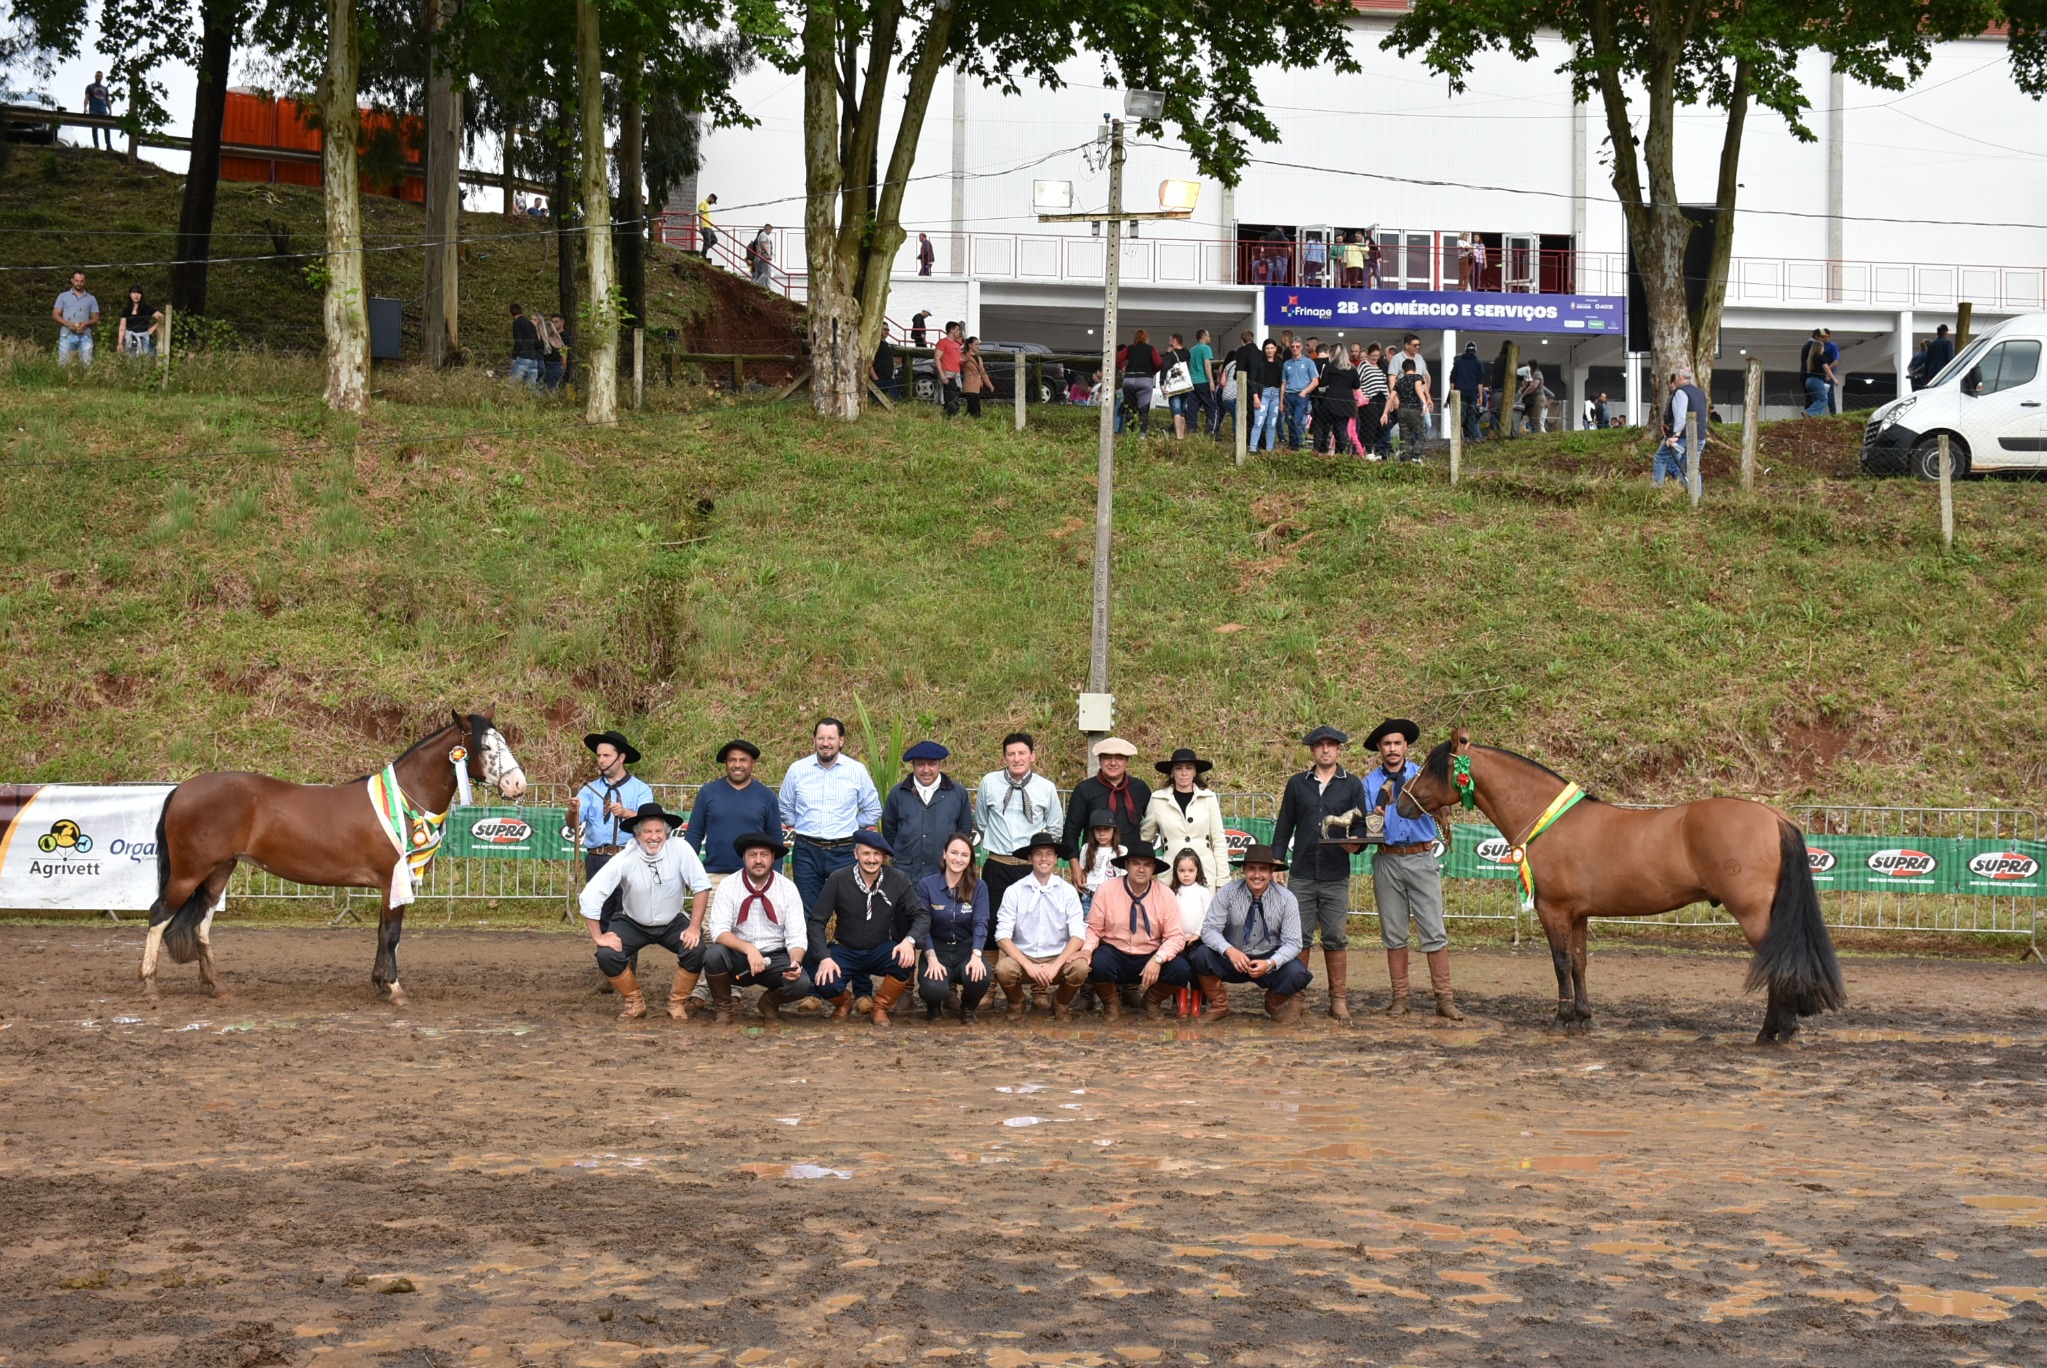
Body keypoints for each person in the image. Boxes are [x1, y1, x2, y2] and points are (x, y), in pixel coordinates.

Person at [1359, 718, 1461, 1020]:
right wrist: (1374, 815)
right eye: (1387, 744)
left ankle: (1444, 998)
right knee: (1394, 931)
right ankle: (1400, 998)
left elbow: (1445, 805)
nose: (1392, 748)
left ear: (1406, 746)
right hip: (1387, 857)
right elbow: (1366, 823)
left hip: (1420, 856)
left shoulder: (1424, 775)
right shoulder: (1369, 782)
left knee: (1433, 928)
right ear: (1380, 748)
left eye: (1397, 743)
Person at [1270, 724, 1369, 1021]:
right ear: (1313, 751)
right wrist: (1277, 862)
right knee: (1298, 938)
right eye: (1320, 745)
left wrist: (1357, 846)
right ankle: (1298, 998)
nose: (1325, 749)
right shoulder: (1297, 783)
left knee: (1336, 937)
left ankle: (1338, 999)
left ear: (1339, 749)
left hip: (1336, 874)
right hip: (1301, 872)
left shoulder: (1352, 784)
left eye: (1331, 745)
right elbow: (1284, 825)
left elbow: (1361, 827)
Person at [580, 802, 713, 1021]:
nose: (654, 837)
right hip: (633, 922)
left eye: (658, 831)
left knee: (696, 949)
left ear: (666, 833)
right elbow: (592, 894)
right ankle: (635, 1002)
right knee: (606, 954)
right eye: (648, 831)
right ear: (638, 834)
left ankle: (677, 1003)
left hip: (672, 921)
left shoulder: (681, 849)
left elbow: (701, 886)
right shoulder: (624, 858)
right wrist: (598, 936)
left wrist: (694, 927)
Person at [807, 830, 924, 1024]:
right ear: (856, 854)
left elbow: (921, 914)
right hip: (844, 948)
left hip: (879, 947)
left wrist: (908, 941)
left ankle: (880, 1007)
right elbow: (817, 921)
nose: (871, 859)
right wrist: (824, 957)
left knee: (905, 961)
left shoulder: (897, 879)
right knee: (823, 980)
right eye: (866, 853)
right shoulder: (838, 879)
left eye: (877, 854)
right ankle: (843, 1002)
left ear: (884, 857)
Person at [1187, 843, 1311, 1023]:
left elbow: (1293, 943)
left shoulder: (1287, 899)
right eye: (1251, 868)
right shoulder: (1227, 893)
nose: (1257, 875)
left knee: (1298, 972)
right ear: (1243, 870)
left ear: (1271, 871)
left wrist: (1270, 963)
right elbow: (1209, 929)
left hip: (1268, 957)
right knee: (1200, 955)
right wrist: (1230, 951)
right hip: (1232, 958)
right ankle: (1219, 1005)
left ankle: (1273, 1004)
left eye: (1263, 869)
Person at [704, 832, 813, 1025]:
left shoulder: (787, 888)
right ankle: (724, 1009)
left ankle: (769, 1004)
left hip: (775, 958)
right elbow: (718, 931)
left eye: (764, 854)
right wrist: (749, 949)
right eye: (752, 855)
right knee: (713, 955)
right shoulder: (728, 885)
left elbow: (796, 936)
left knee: (801, 983)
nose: (758, 860)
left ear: (772, 857)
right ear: (744, 858)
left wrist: (795, 961)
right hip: (739, 957)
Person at [779, 716, 882, 918]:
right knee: (808, 913)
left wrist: (852, 825)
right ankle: (815, 951)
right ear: (814, 740)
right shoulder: (797, 770)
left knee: (851, 909)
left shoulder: (856, 771)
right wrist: (800, 823)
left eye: (831, 738)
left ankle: (846, 950)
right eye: (821, 738)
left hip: (844, 851)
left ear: (841, 741)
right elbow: (784, 807)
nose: (825, 743)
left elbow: (873, 810)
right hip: (807, 851)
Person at [1082, 840, 1192, 1019]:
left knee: (1181, 970)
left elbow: (1175, 936)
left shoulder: (1165, 895)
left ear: (1154, 868)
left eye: (1147, 865)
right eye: (1136, 863)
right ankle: (1111, 1003)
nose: (1141, 869)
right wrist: (1086, 951)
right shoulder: (1107, 890)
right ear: (1126, 865)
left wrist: (1158, 959)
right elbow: (1094, 929)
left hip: (1150, 953)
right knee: (1098, 963)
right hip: (1115, 952)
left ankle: (1151, 1001)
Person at [975, 731, 1065, 935]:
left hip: (1029, 867)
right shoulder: (989, 782)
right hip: (998, 865)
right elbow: (981, 821)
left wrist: (1038, 854)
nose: (1017, 759)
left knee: (1031, 926)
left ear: (1032, 755)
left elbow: (1055, 828)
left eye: (1022, 753)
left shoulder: (1046, 788)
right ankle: (994, 966)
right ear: (1004, 757)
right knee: (993, 926)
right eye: (1011, 754)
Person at [992, 832, 1089, 1018]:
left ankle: (1060, 1002)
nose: (1044, 858)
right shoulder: (1014, 891)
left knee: (1080, 967)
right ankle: (1016, 1003)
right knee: (1004, 969)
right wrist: (1028, 966)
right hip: (1024, 956)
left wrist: (1056, 965)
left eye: (1049, 853)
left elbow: (1078, 935)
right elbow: (1002, 936)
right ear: (1030, 858)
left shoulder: (1068, 892)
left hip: (1058, 957)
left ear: (1056, 859)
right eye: (1038, 854)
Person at [570, 730, 655, 940]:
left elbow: (650, 823)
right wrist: (572, 811)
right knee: (600, 913)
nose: (601, 760)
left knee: (629, 915)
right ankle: (608, 965)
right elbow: (574, 823)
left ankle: (627, 964)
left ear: (621, 757)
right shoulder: (589, 790)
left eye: (606, 756)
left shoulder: (641, 789)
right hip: (598, 858)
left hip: (630, 858)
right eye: (599, 756)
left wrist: (627, 813)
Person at [914, 833, 992, 1022]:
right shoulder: (927, 885)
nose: (958, 859)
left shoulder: (979, 887)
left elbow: (981, 923)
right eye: (954, 853)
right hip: (936, 948)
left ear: (970, 859)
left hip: (966, 948)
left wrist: (976, 955)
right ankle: (933, 1007)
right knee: (933, 989)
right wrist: (931, 958)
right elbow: (923, 924)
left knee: (980, 976)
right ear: (944, 854)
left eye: (964, 855)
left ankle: (967, 1007)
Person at [684, 740, 783, 888]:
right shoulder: (708, 792)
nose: (737, 765)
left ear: (753, 763)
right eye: (732, 760)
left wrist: (774, 876)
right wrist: (688, 871)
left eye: (743, 760)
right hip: (714, 877)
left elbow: (775, 838)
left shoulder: (767, 796)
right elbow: (694, 834)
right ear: (725, 762)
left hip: (755, 878)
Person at [880, 739, 973, 887]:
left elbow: (964, 830)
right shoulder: (898, 793)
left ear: (939, 765)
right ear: (913, 765)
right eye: (920, 764)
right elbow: (889, 830)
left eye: (931, 764)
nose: (926, 770)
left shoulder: (957, 793)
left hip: (945, 872)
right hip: (907, 874)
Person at [1140, 747, 1232, 889]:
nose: (1184, 773)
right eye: (1178, 768)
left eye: (1189, 768)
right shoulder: (1158, 800)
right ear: (1172, 772)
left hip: (1205, 871)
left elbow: (1219, 841)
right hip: (1170, 873)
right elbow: (1144, 840)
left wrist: (1223, 880)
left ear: (1195, 772)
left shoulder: (1209, 798)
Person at [1062, 736, 1151, 853]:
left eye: (1119, 758)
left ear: (1127, 761)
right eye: (1107, 758)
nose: (1113, 763)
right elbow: (1071, 831)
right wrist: (1076, 867)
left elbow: (1154, 821)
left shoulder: (1140, 789)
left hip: (1131, 861)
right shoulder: (1084, 790)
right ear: (1099, 760)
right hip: (1094, 864)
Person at [1169, 848, 1213, 1017]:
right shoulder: (1172, 892)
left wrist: (1197, 934)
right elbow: (1169, 916)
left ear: (1198, 871)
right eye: (1181, 871)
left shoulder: (1203, 892)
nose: (1186, 875)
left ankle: (1196, 1006)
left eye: (1190, 870)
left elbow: (1207, 915)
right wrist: (1177, 935)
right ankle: (1181, 1005)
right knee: (1180, 970)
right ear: (1176, 871)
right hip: (1177, 940)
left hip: (1197, 940)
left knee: (1197, 972)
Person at [1658, 367, 1709, 486]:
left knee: (1661, 458)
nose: (1674, 379)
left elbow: (1681, 416)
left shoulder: (1681, 392)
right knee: (1692, 469)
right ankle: (1695, 498)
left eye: (1675, 376)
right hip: (1700, 435)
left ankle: (1656, 489)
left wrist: (1676, 435)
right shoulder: (1700, 392)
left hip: (1684, 437)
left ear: (1680, 377)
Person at [1071, 811, 1124, 912]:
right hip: (1089, 896)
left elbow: (1124, 878)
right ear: (1092, 831)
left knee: (1111, 926)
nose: (1102, 833)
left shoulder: (1122, 850)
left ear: (1114, 830)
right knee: (1088, 926)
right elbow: (1081, 874)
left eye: (1106, 829)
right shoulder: (1086, 848)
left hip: (1112, 898)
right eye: (1098, 829)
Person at [1315, 348, 1361, 456]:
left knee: (1321, 424)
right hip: (1347, 402)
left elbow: (1323, 382)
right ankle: (1340, 453)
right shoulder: (1352, 369)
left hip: (1331, 400)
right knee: (1341, 429)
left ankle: (1317, 448)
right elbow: (1356, 385)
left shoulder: (1330, 366)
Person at [53, 271, 99, 369]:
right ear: (72, 281)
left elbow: (96, 318)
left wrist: (86, 324)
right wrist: (67, 323)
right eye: (77, 281)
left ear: (84, 282)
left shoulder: (91, 299)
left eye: (81, 281)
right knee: (63, 364)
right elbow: (55, 314)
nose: (79, 283)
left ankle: (86, 383)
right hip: (67, 335)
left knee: (87, 365)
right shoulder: (63, 296)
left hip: (85, 336)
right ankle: (62, 382)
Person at [1356, 342, 1391, 460]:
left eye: (1377, 356)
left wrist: (1389, 400)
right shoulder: (1363, 365)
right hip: (1370, 399)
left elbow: (1386, 383)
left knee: (1383, 425)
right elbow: (1357, 382)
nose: (1375, 358)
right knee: (1370, 425)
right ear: (1368, 355)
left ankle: (1370, 446)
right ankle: (1369, 450)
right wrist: (1361, 396)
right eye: (1373, 356)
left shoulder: (1382, 366)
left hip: (1383, 399)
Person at [1122, 329, 1161, 437]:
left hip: (1129, 380)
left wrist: (1122, 367)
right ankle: (1142, 435)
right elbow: (1158, 364)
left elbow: (1117, 359)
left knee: (1130, 408)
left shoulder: (1129, 348)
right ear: (1146, 338)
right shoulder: (1151, 349)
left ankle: (1129, 434)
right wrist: (1152, 371)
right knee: (1143, 410)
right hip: (1144, 380)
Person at [1281, 337, 1318, 450]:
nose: (1295, 349)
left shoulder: (1309, 362)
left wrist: (1305, 391)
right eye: (1292, 347)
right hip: (1289, 395)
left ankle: (1299, 445)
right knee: (1289, 420)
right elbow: (1284, 383)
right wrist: (1281, 401)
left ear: (1301, 347)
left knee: (1297, 420)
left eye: (1297, 347)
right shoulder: (1286, 364)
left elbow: (1315, 381)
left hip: (1301, 395)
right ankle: (1293, 444)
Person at [1250, 338, 1284, 452]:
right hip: (1263, 394)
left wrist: (1281, 401)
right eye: (1267, 348)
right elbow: (1253, 380)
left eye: (1271, 348)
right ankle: (1253, 448)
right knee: (1258, 422)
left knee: (1272, 423)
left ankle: (1269, 449)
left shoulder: (1280, 362)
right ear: (1264, 350)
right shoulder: (1259, 362)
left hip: (1276, 394)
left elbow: (1283, 381)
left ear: (1275, 349)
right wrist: (1255, 396)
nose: (1269, 351)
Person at [1395, 358, 1432, 460]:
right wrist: (1424, 402)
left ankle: (1405, 459)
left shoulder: (1399, 381)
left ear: (1403, 370)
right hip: (1414, 409)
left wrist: (1385, 412)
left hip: (1402, 410)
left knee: (1405, 437)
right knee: (1421, 434)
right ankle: (1415, 456)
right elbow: (1418, 389)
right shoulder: (1417, 377)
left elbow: (1391, 397)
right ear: (1415, 369)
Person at [1449, 341, 1486, 442]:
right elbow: (1480, 381)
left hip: (1460, 392)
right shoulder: (1478, 363)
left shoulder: (1458, 363)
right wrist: (1481, 396)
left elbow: (1452, 378)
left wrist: (1452, 392)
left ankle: (1458, 436)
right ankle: (1471, 436)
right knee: (1472, 415)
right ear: (1475, 350)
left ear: (1465, 350)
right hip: (1472, 392)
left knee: (1461, 414)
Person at [1163, 333, 1196, 440]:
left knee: (1176, 411)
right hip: (1185, 385)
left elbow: (1165, 368)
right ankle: (1182, 435)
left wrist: (1161, 383)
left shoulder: (1170, 355)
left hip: (1175, 387)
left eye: (1170, 340)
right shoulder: (1187, 353)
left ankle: (1178, 437)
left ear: (1174, 341)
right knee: (1182, 412)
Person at [116, 286, 160, 358]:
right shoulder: (126, 310)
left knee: (151, 358)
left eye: (138, 293)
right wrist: (120, 343)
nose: (136, 295)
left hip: (144, 337)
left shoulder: (147, 308)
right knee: (131, 360)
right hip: (130, 340)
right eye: (134, 292)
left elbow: (162, 318)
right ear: (130, 295)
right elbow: (122, 328)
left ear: (141, 295)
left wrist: (153, 329)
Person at [508, 303, 543, 386]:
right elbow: (538, 344)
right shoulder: (531, 324)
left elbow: (518, 341)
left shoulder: (517, 323)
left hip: (522, 358)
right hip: (533, 360)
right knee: (531, 388)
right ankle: (542, 399)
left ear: (511, 314)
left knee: (513, 385)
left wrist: (514, 356)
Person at [935, 321, 965, 417]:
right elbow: (937, 358)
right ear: (951, 331)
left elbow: (956, 358)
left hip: (957, 376)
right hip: (947, 375)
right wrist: (942, 375)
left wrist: (962, 360)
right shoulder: (942, 342)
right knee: (949, 399)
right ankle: (949, 417)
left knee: (955, 397)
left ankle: (953, 416)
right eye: (957, 330)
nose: (959, 332)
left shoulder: (957, 344)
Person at [959, 336, 992, 418]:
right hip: (970, 384)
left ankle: (968, 420)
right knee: (975, 407)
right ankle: (974, 420)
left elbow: (983, 372)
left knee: (973, 407)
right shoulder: (964, 356)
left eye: (978, 344)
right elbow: (959, 363)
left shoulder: (979, 358)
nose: (978, 346)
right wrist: (962, 361)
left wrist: (989, 385)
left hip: (978, 385)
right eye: (976, 344)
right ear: (970, 345)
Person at [540, 314, 569, 391]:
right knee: (553, 389)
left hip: (549, 367)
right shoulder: (560, 342)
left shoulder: (546, 342)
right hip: (558, 367)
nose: (554, 324)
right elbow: (564, 359)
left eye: (556, 322)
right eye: (552, 322)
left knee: (548, 390)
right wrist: (562, 370)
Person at [85, 71, 112, 150]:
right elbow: (87, 98)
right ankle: (96, 146)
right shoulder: (90, 87)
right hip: (94, 110)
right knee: (94, 128)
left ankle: (109, 146)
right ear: (95, 76)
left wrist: (110, 110)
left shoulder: (105, 89)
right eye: (97, 76)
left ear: (102, 78)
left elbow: (107, 100)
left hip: (103, 110)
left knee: (107, 127)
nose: (98, 78)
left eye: (100, 76)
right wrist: (85, 108)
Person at [872, 330, 899, 400]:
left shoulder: (887, 345)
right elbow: (869, 361)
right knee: (878, 401)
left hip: (890, 378)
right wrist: (875, 377)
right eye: (885, 329)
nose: (887, 331)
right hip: (879, 378)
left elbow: (891, 360)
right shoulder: (875, 344)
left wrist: (892, 375)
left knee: (895, 400)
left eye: (888, 330)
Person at [697, 192, 719, 258]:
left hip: (708, 226)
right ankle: (703, 255)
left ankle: (702, 252)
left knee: (714, 240)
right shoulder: (703, 203)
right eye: (713, 201)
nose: (712, 203)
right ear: (711, 198)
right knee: (707, 241)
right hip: (704, 226)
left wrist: (710, 223)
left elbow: (706, 215)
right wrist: (702, 225)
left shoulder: (706, 205)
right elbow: (700, 214)